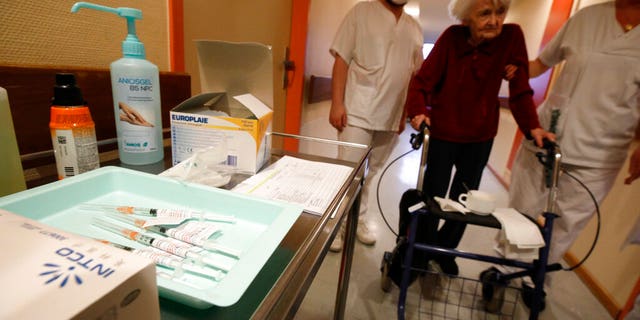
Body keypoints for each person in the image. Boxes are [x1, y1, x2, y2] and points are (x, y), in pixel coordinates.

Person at [404, 0, 554, 275]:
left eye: (500, 12)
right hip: (444, 131)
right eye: (485, 13)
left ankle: (446, 250)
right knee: (433, 195)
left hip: (480, 134)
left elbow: (520, 91)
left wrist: (533, 127)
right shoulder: (451, 38)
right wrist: (416, 112)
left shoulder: (512, 38)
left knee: (467, 200)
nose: (495, 21)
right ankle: (423, 253)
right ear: (466, 17)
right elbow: (422, 81)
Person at [506, 0, 640, 307]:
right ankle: (504, 269)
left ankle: (536, 279)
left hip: (601, 154)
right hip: (547, 137)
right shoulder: (587, 17)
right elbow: (541, 63)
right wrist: (508, 70)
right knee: (521, 210)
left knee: (565, 225)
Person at [328, 0, 424, 252]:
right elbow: (341, 60)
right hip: (356, 111)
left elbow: (414, 76)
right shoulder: (361, 12)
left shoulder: (414, 27)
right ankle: (336, 224)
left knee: (371, 174)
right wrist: (336, 103)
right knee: (348, 172)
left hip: (391, 117)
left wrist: (403, 114)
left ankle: (358, 219)